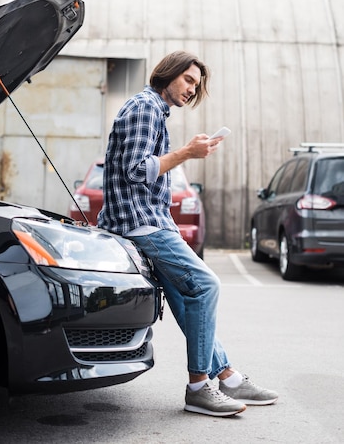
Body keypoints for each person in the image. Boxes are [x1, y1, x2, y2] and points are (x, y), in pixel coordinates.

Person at [97, 51, 278, 417]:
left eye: (196, 85)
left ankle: (226, 376)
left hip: (149, 219)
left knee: (185, 298)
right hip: (139, 222)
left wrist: (185, 153)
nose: (192, 90)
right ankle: (198, 387)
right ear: (168, 74)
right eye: (189, 81)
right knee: (207, 285)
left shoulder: (153, 110)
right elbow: (135, 171)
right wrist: (186, 153)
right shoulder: (146, 108)